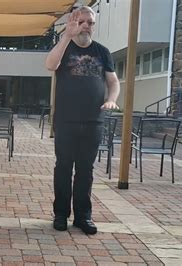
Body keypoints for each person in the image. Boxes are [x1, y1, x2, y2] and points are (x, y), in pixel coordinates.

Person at [45, 6, 120, 234]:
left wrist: (111, 99)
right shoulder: (64, 47)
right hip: (66, 120)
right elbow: (50, 65)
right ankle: (60, 214)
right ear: (73, 22)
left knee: (86, 169)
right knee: (64, 167)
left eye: (90, 22)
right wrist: (66, 36)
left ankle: (83, 217)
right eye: (82, 21)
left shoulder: (103, 51)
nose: (86, 26)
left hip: (93, 121)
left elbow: (113, 82)